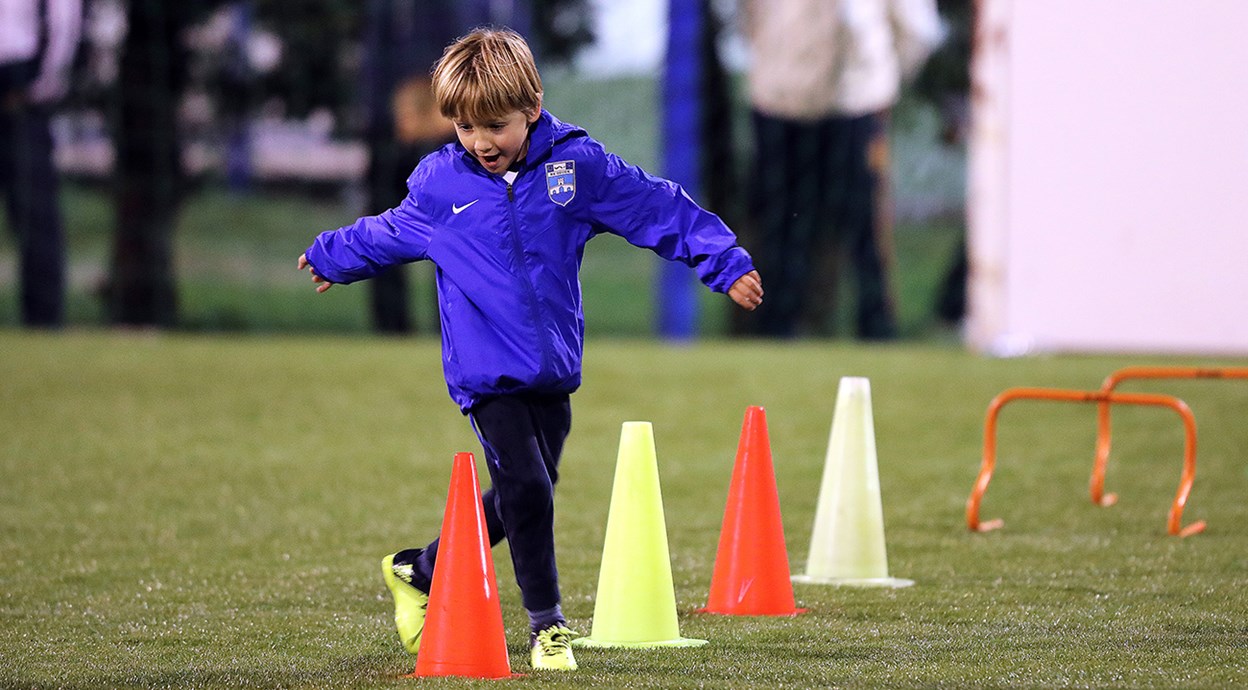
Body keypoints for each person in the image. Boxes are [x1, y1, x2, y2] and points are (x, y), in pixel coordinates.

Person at [297, 28, 762, 672]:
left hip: (552, 371)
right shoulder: (439, 186)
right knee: (528, 488)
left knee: (526, 495)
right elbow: (387, 231)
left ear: (532, 108)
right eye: (464, 127)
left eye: (495, 124)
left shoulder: (577, 168)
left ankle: (419, 570)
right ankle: (549, 626)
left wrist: (722, 261)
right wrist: (331, 256)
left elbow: (655, 207)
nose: (481, 141)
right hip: (486, 374)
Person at [740, 0, 941, 338]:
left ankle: (875, 327)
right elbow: (749, 18)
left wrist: (883, 77)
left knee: (862, 221)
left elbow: (916, 28)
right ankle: (777, 326)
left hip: (857, 99)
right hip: (780, 97)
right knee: (784, 221)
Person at [0, 0, 82, 328]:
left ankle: (43, 322)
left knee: (36, 218)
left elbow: (63, 25)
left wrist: (37, 88)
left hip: (20, 99)